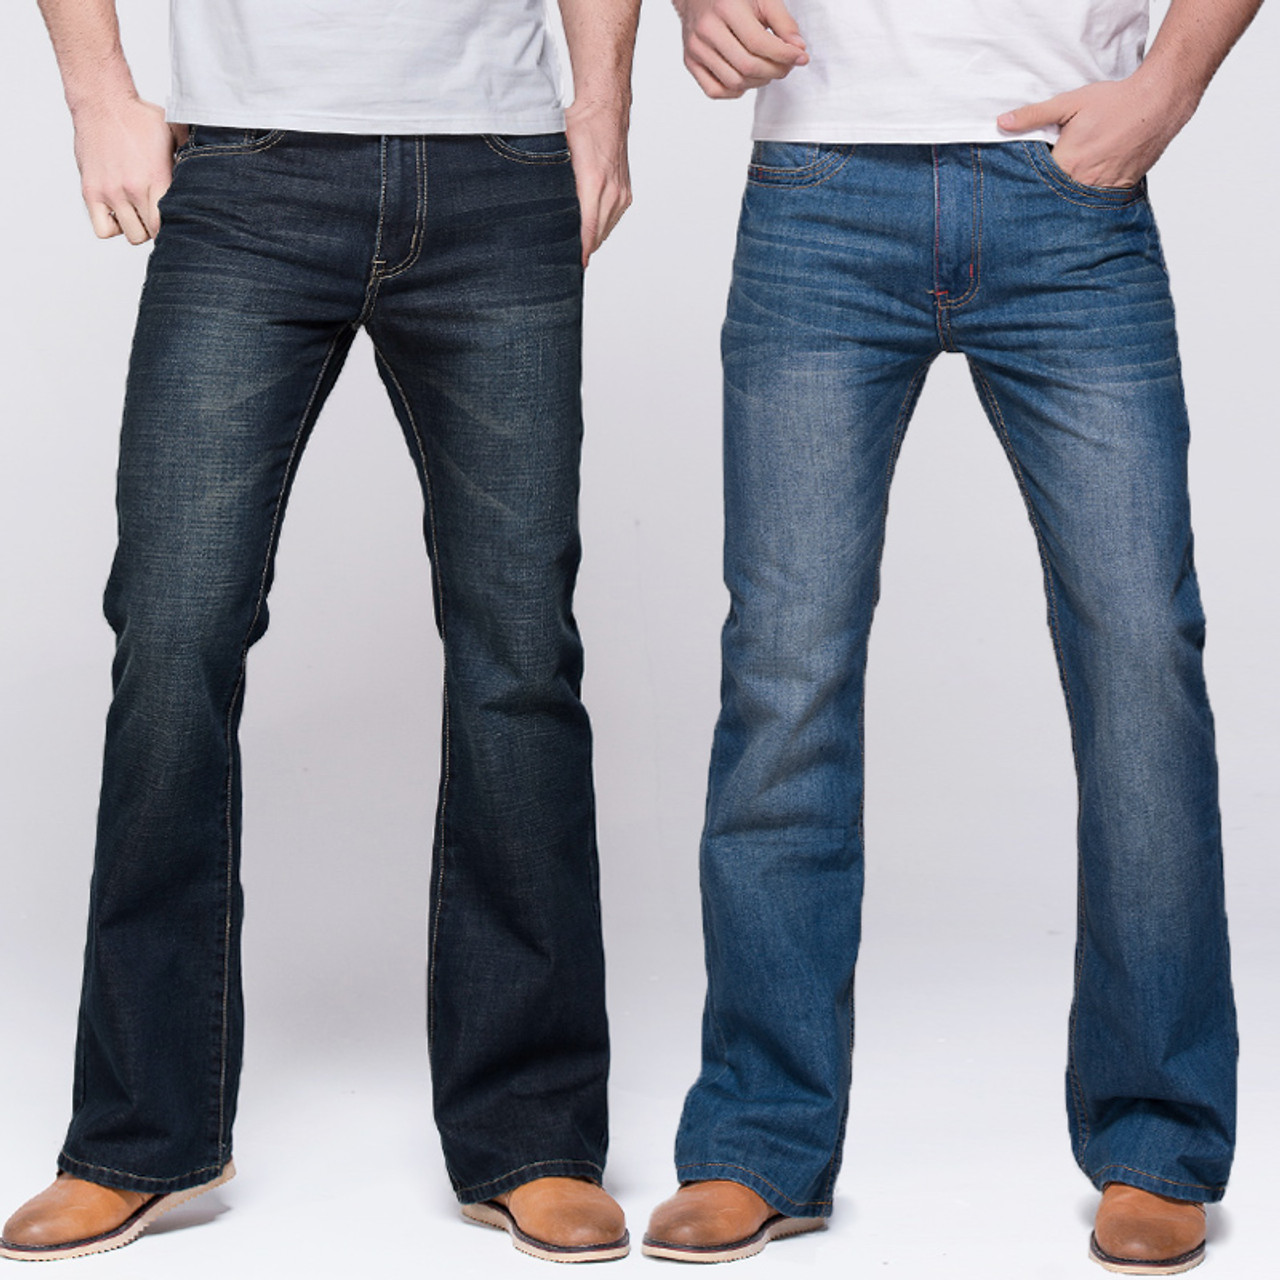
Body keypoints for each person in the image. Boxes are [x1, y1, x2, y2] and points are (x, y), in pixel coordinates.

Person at [1, 0, 639, 1264]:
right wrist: (97, 94)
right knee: (173, 633)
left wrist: (603, 102)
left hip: (495, 165)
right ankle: (140, 1133)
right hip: (247, 172)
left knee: (519, 654)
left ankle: (533, 1133)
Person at [643, 0, 1259, 1272]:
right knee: (784, 672)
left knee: (1140, 655)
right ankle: (758, 1137)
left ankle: (1155, 1140)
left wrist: (1167, 85)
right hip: (818, 185)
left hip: (1065, 192)